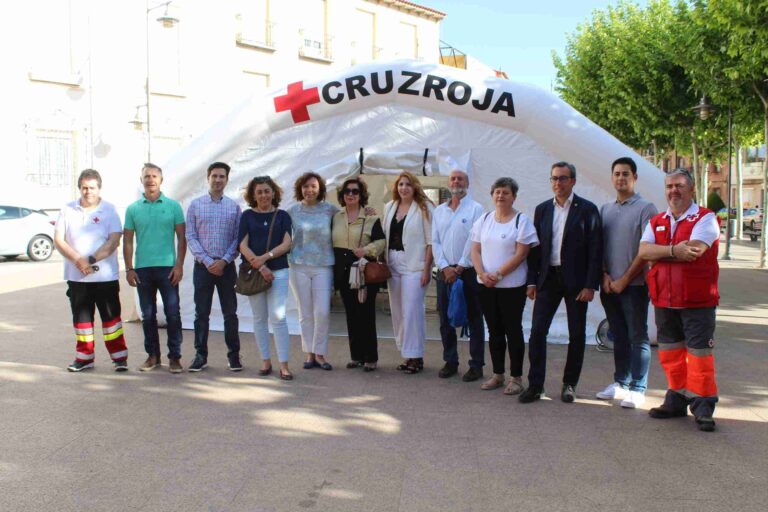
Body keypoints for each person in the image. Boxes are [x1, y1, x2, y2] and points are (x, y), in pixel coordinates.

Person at [638, 168, 721, 432]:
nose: (674, 191)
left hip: (697, 302)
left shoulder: (706, 218)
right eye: (669, 186)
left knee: (699, 357)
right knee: (670, 354)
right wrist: (674, 250)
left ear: (692, 189)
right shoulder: (658, 220)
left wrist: (659, 253)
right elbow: (643, 251)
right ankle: (676, 398)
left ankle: (703, 406)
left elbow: (694, 251)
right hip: (665, 299)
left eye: (679, 186)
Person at [520, 161, 602, 403]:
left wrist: (590, 285)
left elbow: (595, 250)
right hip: (548, 279)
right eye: (554, 178)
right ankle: (536, 385)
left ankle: (570, 384)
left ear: (573, 181)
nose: (558, 183)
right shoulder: (543, 209)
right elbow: (536, 249)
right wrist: (531, 281)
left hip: (577, 282)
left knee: (576, 334)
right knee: (537, 333)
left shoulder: (587, 209)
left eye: (563, 178)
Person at [596, 157, 658, 408]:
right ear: (612, 177)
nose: (621, 178)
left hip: (634, 286)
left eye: (626, 174)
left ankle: (638, 388)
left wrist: (624, 280)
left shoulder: (646, 208)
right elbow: (598, 247)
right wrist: (605, 276)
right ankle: (620, 383)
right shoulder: (605, 209)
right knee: (618, 335)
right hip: (609, 285)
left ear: (634, 178)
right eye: (617, 174)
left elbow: (645, 252)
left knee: (638, 336)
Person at [54, 169, 128, 372]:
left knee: (111, 320)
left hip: (105, 277)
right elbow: (58, 240)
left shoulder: (110, 210)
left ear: (99, 188)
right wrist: (78, 260)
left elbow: (114, 241)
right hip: (77, 278)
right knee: (82, 321)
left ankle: (119, 358)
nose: (88, 192)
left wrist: (91, 259)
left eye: (92, 188)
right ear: (79, 188)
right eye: (84, 188)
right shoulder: (67, 209)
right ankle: (84, 358)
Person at [471, 177, 539, 393]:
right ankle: (498, 374)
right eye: (497, 192)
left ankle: (516, 378)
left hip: (512, 287)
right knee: (494, 330)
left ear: (514, 197)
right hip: (486, 286)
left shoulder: (522, 221)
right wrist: (482, 274)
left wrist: (498, 274)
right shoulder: (484, 220)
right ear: (492, 195)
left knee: (513, 330)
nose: (501, 196)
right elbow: (475, 250)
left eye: (506, 192)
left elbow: (521, 253)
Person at [124, 163, 186, 373]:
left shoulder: (173, 206)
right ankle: (153, 356)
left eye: (154, 176)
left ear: (161, 180)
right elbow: (128, 241)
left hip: (167, 268)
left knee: (173, 314)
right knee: (147, 315)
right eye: (146, 176)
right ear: (141, 180)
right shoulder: (133, 209)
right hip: (142, 269)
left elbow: (182, 237)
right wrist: (129, 268)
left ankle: (175, 357)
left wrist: (179, 265)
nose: (150, 179)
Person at [185, 162, 242, 372]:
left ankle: (234, 356)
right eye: (214, 176)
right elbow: (190, 236)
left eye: (222, 176)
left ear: (227, 179)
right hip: (203, 268)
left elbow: (238, 238)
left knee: (230, 313)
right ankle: (200, 355)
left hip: (226, 267)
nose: (218, 180)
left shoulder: (234, 207)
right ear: (208, 178)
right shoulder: (195, 205)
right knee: (201, 314)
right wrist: (209, 262)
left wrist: (224, 260)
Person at [432, 169, 486, 381]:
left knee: (473, 318)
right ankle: (450, 361)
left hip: (468, 272)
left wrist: (460, 267)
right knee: (445, 318)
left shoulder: (476, 209)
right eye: (453, 178)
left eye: (460, 178)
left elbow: (475, 241)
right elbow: (435, 241)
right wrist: (445, 267)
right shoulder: (439, 211)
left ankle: (476, 364)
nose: (456, 181)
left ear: (467, 183)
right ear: (448, 183)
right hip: (444, 272)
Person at [239, 176, 294, 380]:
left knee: (278, 318)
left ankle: (284, 364)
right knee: (259, 318)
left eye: (267, 191)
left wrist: (265, 257)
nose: (263, 195)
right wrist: (261, 265)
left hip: (279, 271)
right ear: (253, 195)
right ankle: (265, 361)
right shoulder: (247, 216)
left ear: (274, 193)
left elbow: (287, 243)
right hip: (256, 273)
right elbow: (243, 245)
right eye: (259, 191)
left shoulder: (283, 216)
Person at [332, 177, 386, 372]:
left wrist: (367, 250)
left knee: (366, 314)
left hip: (362, 272)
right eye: (347, 191)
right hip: (343, 272)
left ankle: (370, 357)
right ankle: (356, 356)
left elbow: (381, 242)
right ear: (342, 195)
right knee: (351, 315)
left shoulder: (371, 218)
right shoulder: (336, 217)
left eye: (355, 191)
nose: (351, 194)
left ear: (361, 195)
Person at [382, 171, 434, 374]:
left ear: (415, 187)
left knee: (412, 310)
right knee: (398, 311)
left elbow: (431, 242)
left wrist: (427, 269)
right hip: (392, 262)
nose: (404, 188)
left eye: (408, 185)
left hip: (415, 264)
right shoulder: (389, 207)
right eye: (401, 184)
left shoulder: (425, 208)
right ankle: (406, 353)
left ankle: (416, 356)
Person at [287, 172, 337, 371]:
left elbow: (351, 221)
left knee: (322, 311)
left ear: (320, 189)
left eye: (313, 186)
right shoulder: (292, 211)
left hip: (323, 266)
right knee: (305, 312)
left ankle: (320, 353)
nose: (309, 190)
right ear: (300, 189)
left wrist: (367, 212)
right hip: (298, 265)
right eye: (306, 186)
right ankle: (309, 353)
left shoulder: (330, 210)